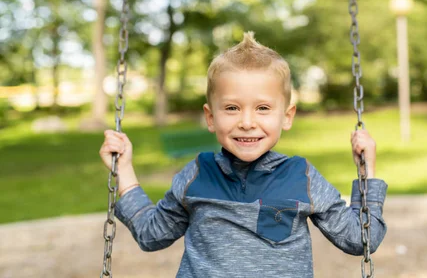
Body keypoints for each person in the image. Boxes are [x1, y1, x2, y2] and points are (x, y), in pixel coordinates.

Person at [99, 32, 388, 278]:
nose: (247, 122)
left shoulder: (302, 177)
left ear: (286, 117)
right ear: (210, 118)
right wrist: (123, 170)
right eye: (232, 108)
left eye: (262, 108)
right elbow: (151, 235)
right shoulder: (197, 174)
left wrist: (367, 175)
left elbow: (360, 239)